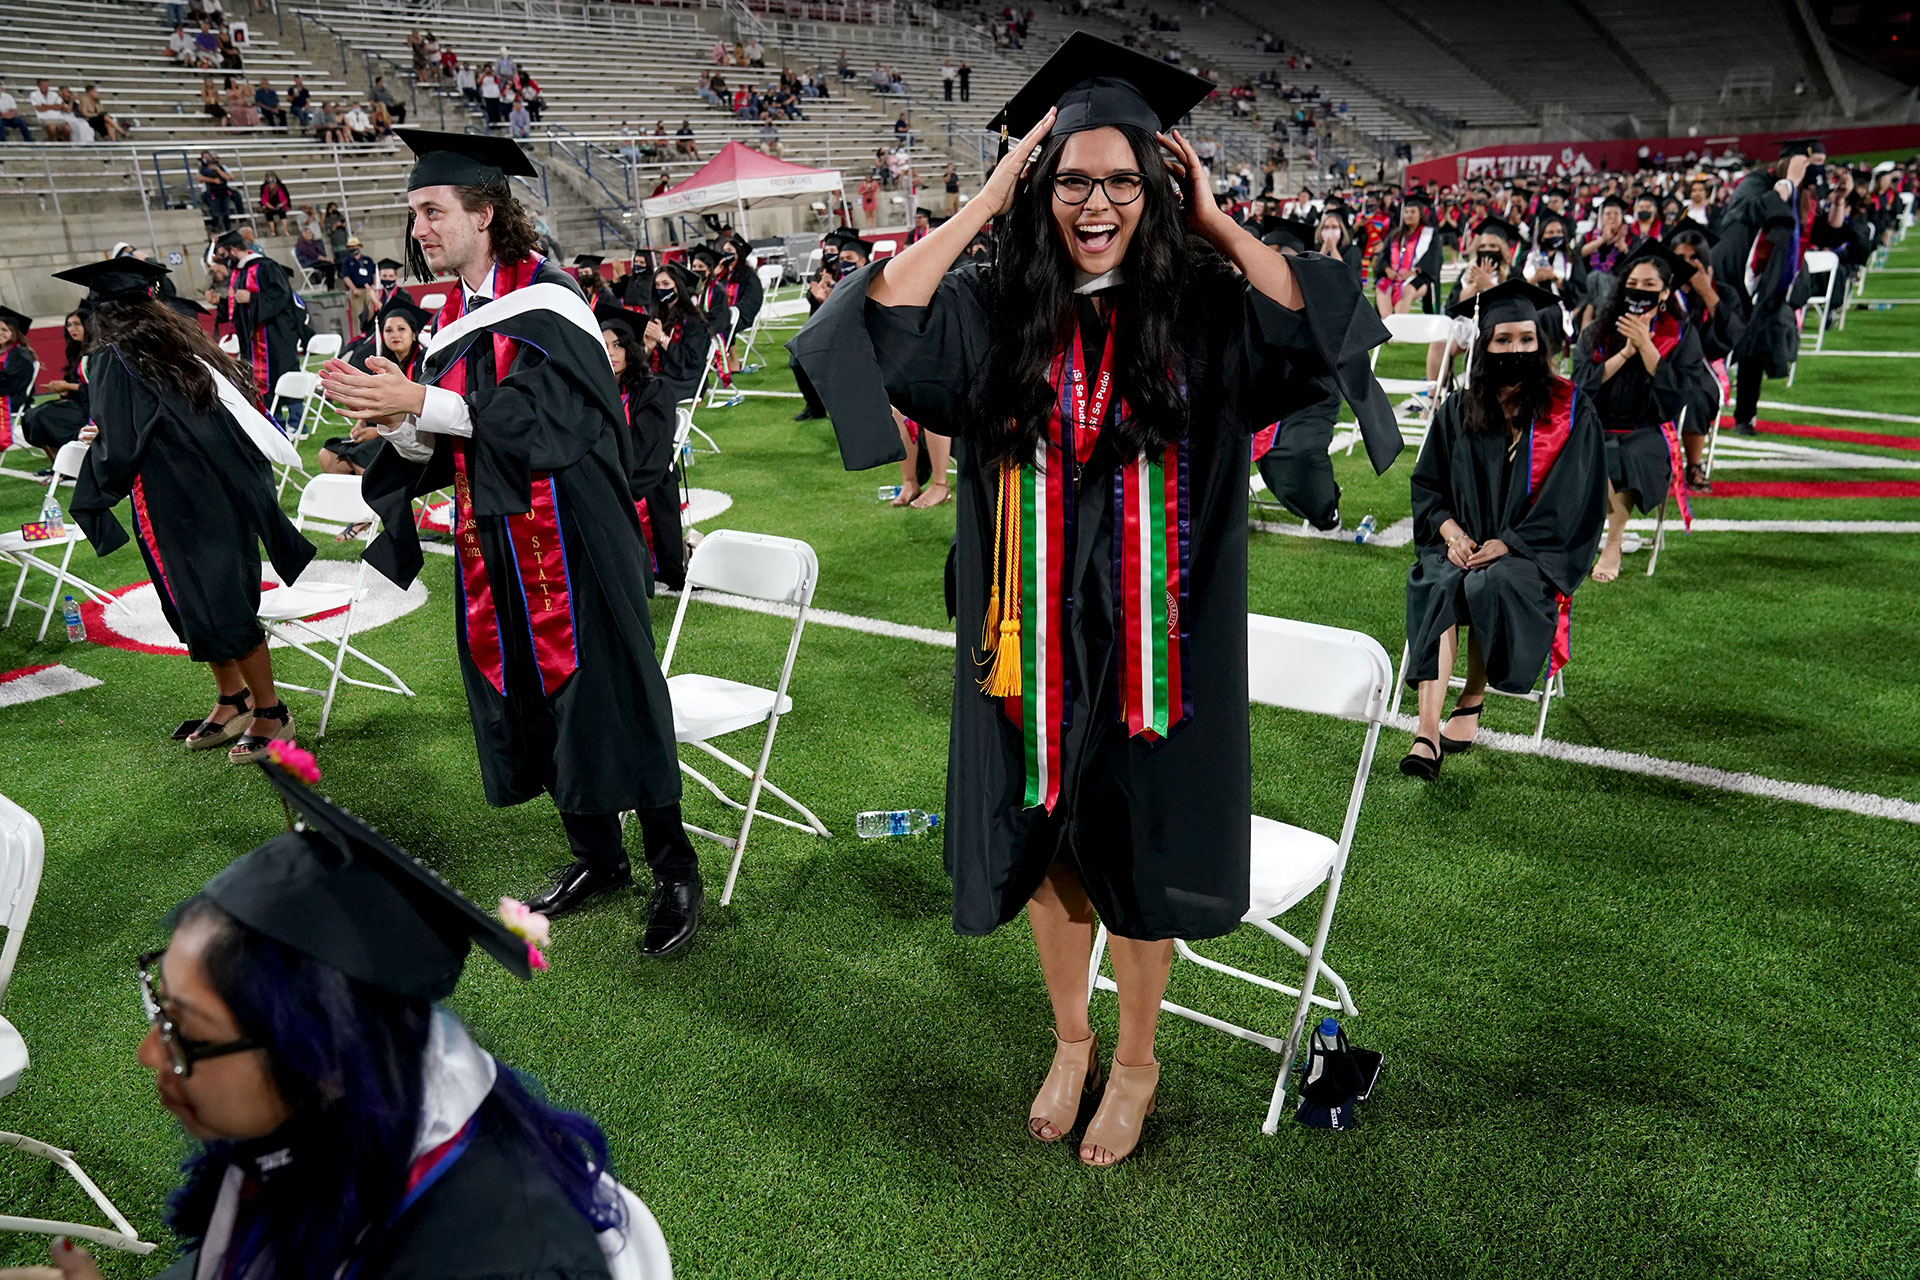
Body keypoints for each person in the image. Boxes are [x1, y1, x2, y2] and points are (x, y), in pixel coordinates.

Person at [788, 35, 1395, 1167]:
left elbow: (1322, 328)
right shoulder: (996, 307)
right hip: (1026, 646)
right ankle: (1070, 1037)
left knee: (1139, 860)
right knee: (1049, 849)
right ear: (1043, 186)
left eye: (1124, 180)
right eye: (1073, 180)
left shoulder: (1205, 307)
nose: (1099, 203)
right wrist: (987, 199)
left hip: (1159, 650)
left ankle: (1135, 1058)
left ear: (1156, 187)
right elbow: (869, 326)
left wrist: (1215, 219)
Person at [21, 755, 663, 1280]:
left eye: (187, 1032)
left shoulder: (494, 1260)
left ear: (322, 1060)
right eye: (161, 1006)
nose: (151, 1054)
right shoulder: (319, 1129)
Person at [318, 129, 704, 959]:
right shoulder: (455, 318)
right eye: (414, 212)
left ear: (485, 213)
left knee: (617, 695)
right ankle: (597, 859)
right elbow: (458, 436)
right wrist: (400, 419)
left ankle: (675, 867)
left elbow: (550, 422)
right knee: (536, 696)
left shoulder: (551, 302)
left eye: (433, 210)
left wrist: (422, 398)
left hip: (576, 537)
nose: (418, 228)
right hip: (495, 542)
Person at [61, 257, 311, 761]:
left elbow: (122, 444)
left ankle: (271, 710)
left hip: (175, 498)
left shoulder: (116, 356)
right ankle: (232, 697)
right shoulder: (181, 344)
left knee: (212, 600)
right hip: (218, 490)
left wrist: (97, 464)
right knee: (203, 599)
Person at [1399, 279, 1605, 778]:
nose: (1516, 349)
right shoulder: (1458, 409)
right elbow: (1428, 487)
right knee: (1441, 581)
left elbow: (1576, 501)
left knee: (1492, 580)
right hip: (1459, 544)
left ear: (1542, 343)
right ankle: (1427, 731)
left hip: (1531, 553)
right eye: (1503, 339)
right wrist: (1451, 534)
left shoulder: (1570, 412)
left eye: (1526, 339)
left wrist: (1509, 543)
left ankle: (1470, 699)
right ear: (1485, 346)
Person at [1575, 239, 1705, 583]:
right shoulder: (1599, 330)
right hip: (1596, 423)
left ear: (1665, 294)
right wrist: (1626, 352)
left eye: (1650, 286)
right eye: (1633, 284)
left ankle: (1612, 544)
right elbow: (1581, 385)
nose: (1640, 291)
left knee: (1621, 455)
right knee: (1588, 448)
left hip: (1647, 430)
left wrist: (1647, 344)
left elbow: (1677, 397)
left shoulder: (1680, 334)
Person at [1714, 141, 1817, 440]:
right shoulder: (1758, 182)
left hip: (1767, 280)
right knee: (1713, 342)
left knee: (1755, 345)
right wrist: (1789, 183)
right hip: (1732, 273)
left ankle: (1745, 416)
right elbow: (1752, 210)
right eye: (1807, 162)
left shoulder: (1805, 196)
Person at [600, 305, 685, 590]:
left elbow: (653, 453)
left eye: (618, 345)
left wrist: (623, 488)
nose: (611, 352)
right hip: (610, 482)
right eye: (604, 345)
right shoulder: (597, 392)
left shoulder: (653, 390)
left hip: (646, 485)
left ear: (631, 349)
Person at [320, 294, 432, 477]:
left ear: (414, 334)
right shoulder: (381, 364)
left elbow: (420, 415)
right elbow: (371, 401)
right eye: (388, 330)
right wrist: (360, 423)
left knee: (364, 461)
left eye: (401, 329)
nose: (394, 334)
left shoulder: (425, 365)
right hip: (374, 432)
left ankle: (372, 500)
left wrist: (377, 432)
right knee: (327, 457)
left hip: (407, 437)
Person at [1667, 226, 1732, 492]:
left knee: (1699, 392)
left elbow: (1730, 337)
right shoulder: (1660, 289)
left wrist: (1706, 291)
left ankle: (1693, 465)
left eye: (1693, 257)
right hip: (1661, 360)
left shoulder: (1721, 292)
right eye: (1679, 257)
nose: (1685, 264)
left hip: (1700, 365)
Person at [213, 228, 300, 401]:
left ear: (234, 250)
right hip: (253, 340)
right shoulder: (240, 271)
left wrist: (252, 297)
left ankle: (297, 422)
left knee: (283, 378)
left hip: (275, 334)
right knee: (259, 384)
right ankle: (273, 421)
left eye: (224, 254)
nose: (224, 260)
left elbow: (282, 295)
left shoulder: (267, 266)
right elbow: (240, 308)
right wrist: (220, 303)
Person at [22, 310, 93, 467]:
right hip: (79, 402)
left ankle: (65, 467)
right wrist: (64, 389)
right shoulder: (76, 351)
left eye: (77, 324)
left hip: (92, 409)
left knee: (43, 417)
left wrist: (68, 386)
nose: (72, 329)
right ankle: (58, 466)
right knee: (31, 416)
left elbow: (100, 388)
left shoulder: (97, 352)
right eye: (68, 325)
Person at [643, 261, 718, 404]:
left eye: (666, 284)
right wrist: (649, 348)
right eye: (657, 285)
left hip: (686, 381)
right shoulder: (658, 317)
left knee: (646, 390)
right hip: (662, 376)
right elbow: (646, 360)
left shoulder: (694, 321)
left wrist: (662, 338)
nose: (661, 289)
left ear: (678, 287)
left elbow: (693, 361)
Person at [1372, 192, 1441, 316]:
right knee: (1382, 286)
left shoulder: (1430, 235)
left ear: (1420, 214)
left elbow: (1434, 259)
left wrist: (1414, 271)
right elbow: (1383, 256)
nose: (1409, 215)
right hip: (1393, 276)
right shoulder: (1395, 235)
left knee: (1407, 289)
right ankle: (1387, 324)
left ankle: (1398, 322)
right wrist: (1388, 270)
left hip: (1418, 277)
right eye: (1407, 212)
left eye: (1413, 212)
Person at [0, 306, 35, 453]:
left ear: (14, 333)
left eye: (4, 330)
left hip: (12, 397)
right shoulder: (3, 351)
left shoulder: (19, 353)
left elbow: (11, 382)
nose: (0, 333)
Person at [339, 236, 378, 327]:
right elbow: (346, 277)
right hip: (357, 291)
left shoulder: (368, 260)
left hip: (369, 290)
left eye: (355, 246)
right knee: (357, 316)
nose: (353, 249)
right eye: (351, 247)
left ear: (360, 247)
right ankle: (359, 337)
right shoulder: (347, 262)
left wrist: (374, 285)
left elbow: (374, 274)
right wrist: (354, 289)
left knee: (371, 314)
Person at [199, 150, 238, 229]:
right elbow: (200, 178)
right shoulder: (203, 168)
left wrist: (217, 170)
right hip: (213, 193)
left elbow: (229, 177)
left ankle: (228, 230)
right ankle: (216, 229)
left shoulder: (220, 167)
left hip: (224, 192)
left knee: (226, 213)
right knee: (216, 213)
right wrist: (213, 180)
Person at [256, 171, 292, 236]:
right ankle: (272, 231)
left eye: (273, 183)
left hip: (279, 204)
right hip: (269, 205)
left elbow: (285, 198)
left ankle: (285, 230)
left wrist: (280, 205)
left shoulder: (280, 186)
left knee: (282, 212)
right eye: (270, 183)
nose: (272, 185)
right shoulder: (264, 187)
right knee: (268, 213)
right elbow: (264, 199)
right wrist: (271, 207)